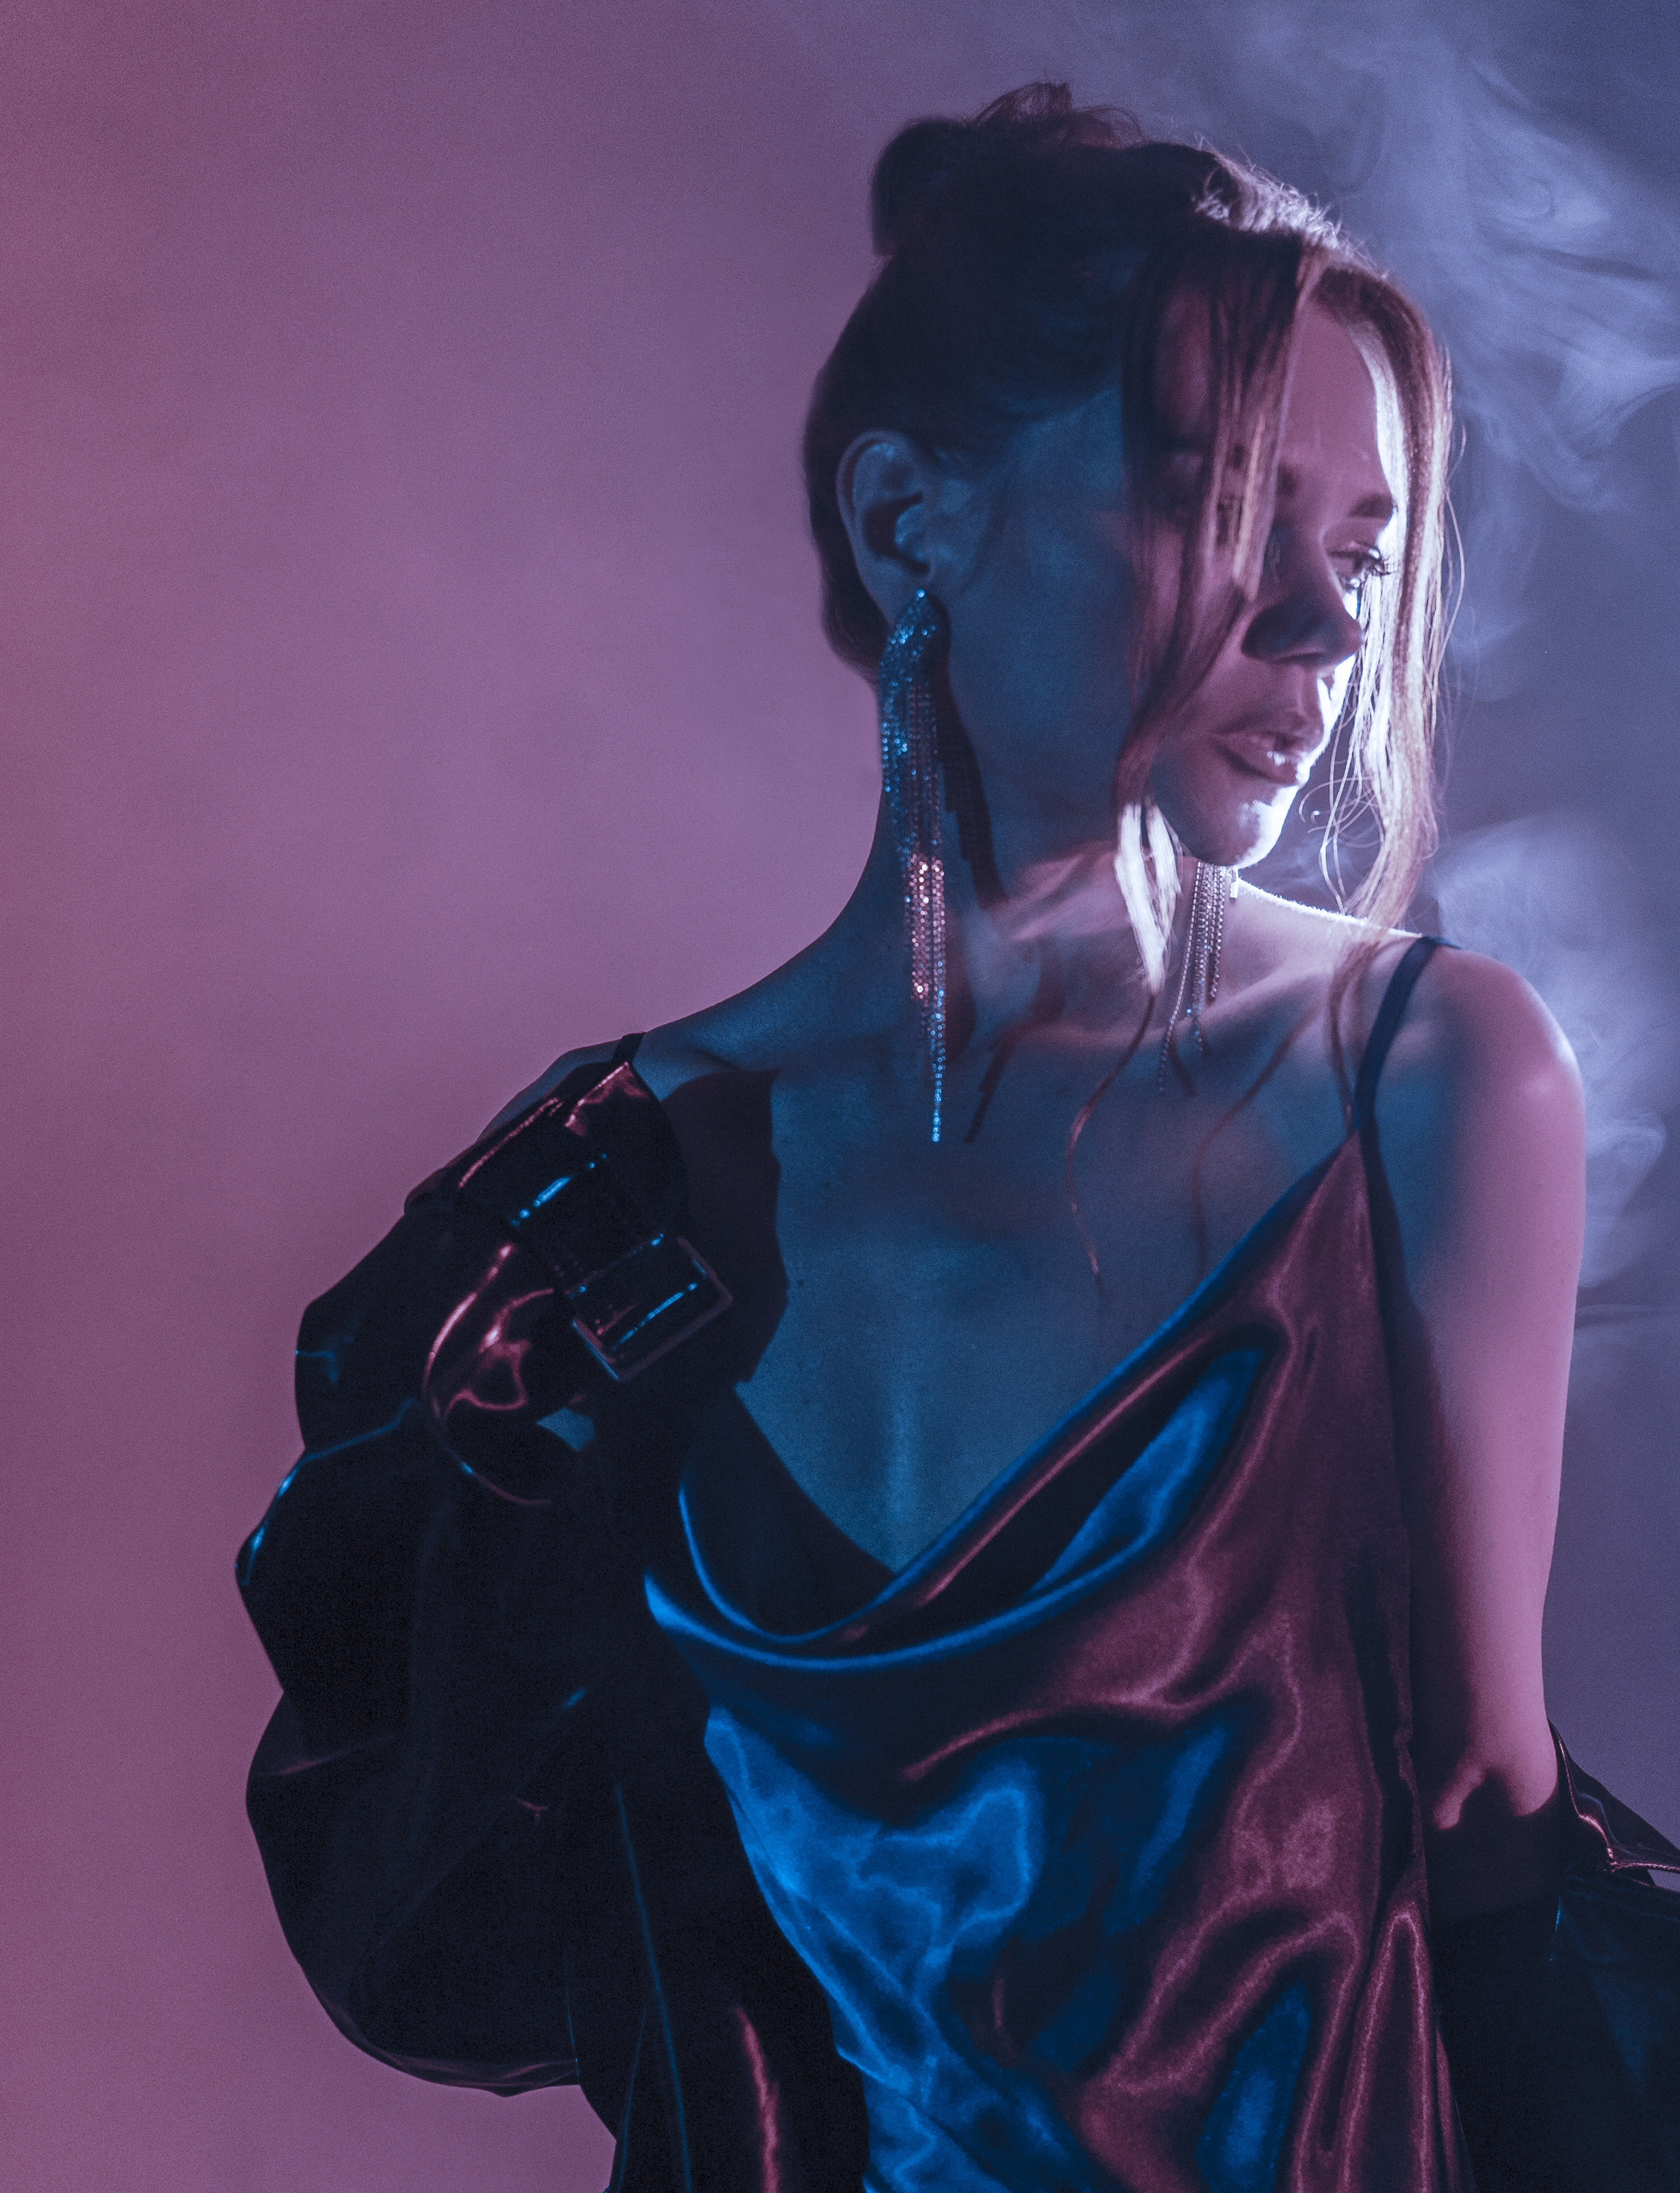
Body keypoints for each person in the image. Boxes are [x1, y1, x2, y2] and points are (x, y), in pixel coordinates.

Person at [237, 86, 1591, 2192]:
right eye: (1225, 503)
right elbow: (465, 1882)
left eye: (1363, 549)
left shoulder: (1426, 1076)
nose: (1322, 632)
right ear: (906, 523)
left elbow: (1484, 1824)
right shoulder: (592, 1197)